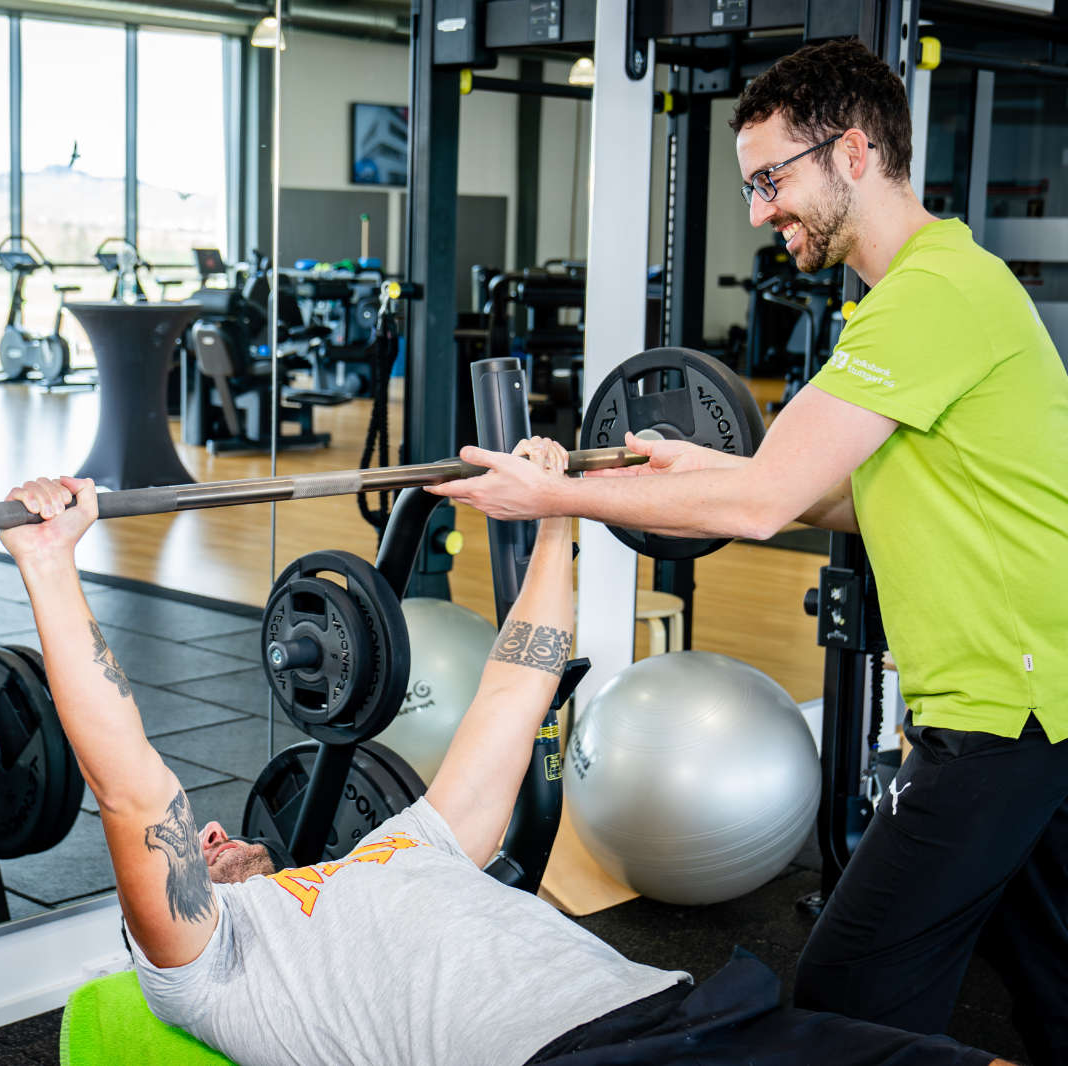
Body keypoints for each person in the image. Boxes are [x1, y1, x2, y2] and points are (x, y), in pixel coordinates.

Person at [427, 38, 1068, 1066]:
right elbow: (861, 501)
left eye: (772, 179)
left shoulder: (929, 294)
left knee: (847, 993)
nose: (763, 211)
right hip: (1030, 694)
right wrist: (678, 471)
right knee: (1049, 975)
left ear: (853, 152)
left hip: (1010, 705)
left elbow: (767, 500)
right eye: (751, 187)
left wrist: (545, 492)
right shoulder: (926, 291)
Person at [0, 443, 1010, 1066]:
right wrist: (51, 568)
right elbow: (131, 784)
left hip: (687, 1005)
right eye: (194, 849)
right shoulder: (205, 964)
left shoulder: (405, 846)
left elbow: (517, 685)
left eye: (208, 835)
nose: (206, 836)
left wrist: (557, 512)